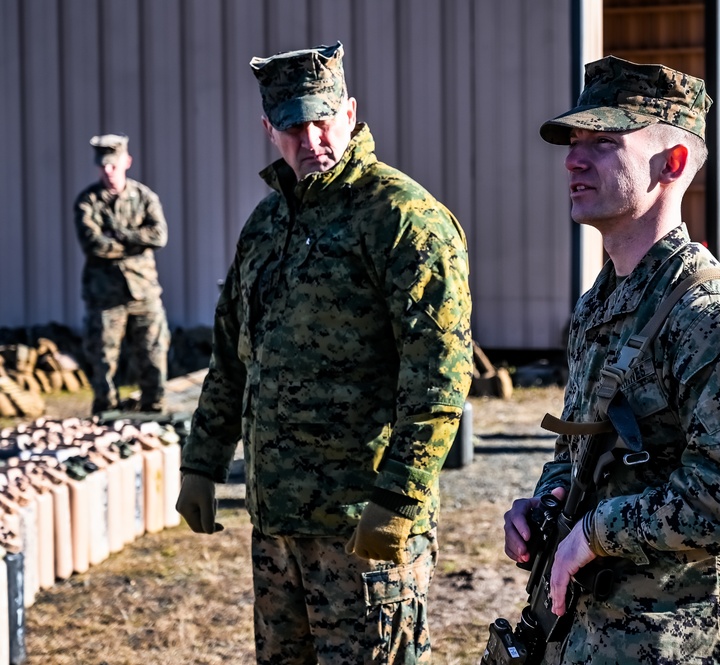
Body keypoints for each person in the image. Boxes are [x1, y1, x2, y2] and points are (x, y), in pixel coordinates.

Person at [174, 43, 473, 664]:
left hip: (362, 527)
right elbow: (233, 354)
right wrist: (202, 461)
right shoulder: (265, 224)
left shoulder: (403, 218)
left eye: (324, 118)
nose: (311, 137)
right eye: (292, 124)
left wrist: (399, 500)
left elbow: (440, 377)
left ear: (351, 110)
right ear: (269, 129)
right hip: (278, 523)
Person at [502, 56, 720, 664]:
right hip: (583, 635)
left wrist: (598, 532)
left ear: (673, 163)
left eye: (603, 144)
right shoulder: (600, 303)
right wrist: (548, 502)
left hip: (671, 644)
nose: (573, 160)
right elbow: (581, 447)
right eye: (574, 143)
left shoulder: (711, 316)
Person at [73, 134, 170, 415]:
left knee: (154, 351)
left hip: (143, 291)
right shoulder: (87, 202)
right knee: (103, 358)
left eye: (114, 165)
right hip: (104, 296)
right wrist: (135, 244)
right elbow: (93, 245)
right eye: (103, 166)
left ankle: (155, 410)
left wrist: (120, 235)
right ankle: (106, 414)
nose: (108, 171)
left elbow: (159, 236)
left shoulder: (144, 197)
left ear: (127, 162)